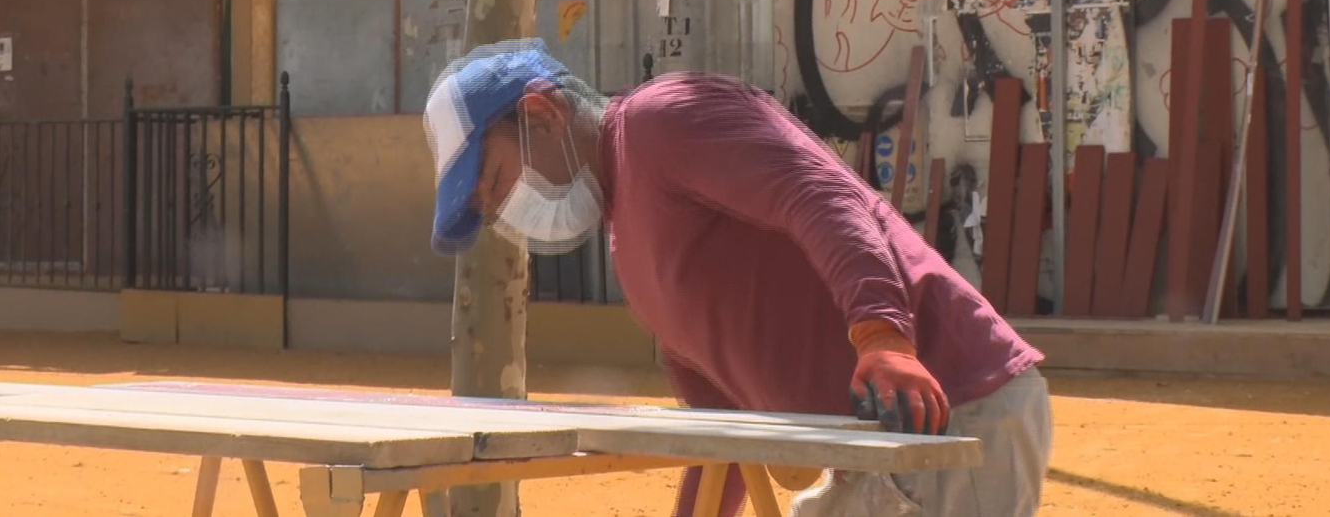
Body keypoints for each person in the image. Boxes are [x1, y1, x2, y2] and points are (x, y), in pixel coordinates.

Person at [422, 40, 1051, 517]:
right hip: (881, 446)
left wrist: (883, 337)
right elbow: (720, 428)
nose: (510, 210)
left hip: (946, 409)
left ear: (542, 114)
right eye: (492, 210)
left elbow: (820, 196)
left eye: (500, 181)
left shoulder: (661, 122)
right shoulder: (632, 251)